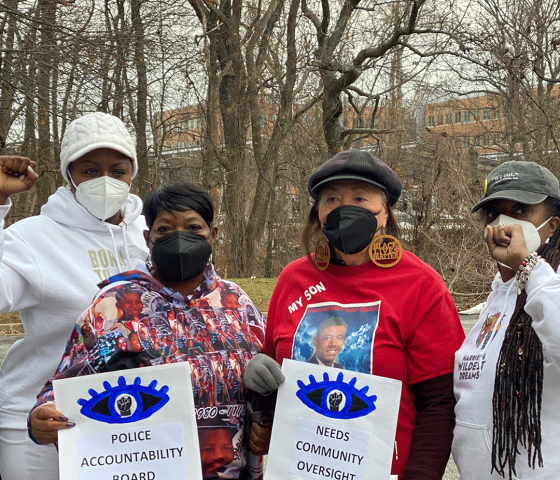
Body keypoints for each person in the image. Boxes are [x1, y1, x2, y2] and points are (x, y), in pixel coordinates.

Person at [244, 149, 466, 479]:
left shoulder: (421, 284)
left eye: (361, 198)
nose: (345, 208)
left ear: (384, 211)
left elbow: (440, 404)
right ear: (317, 213)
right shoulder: (292, 281)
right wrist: (259, 391)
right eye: (331, 199)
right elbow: (277, 379)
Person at [29, 182, 266, 480]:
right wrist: (42, 418)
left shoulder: (237, 302)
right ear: (148, 237)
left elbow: (267, 386)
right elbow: (62, 389)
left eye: (194, 227)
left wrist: (267, 424)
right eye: (165, 229)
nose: (180, 239)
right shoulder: (113, 306)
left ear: (212, 235)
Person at [0, 112, 148, 480]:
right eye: (89, 170)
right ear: (69, 175)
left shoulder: (150, 233)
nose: (105, 181)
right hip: (38, 422)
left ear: (132, 172)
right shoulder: (34, 238)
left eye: (117, 170)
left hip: (129, 417)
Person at [452, 161, 560, 480]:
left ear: (552, 225)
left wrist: (528, 265)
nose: (503, 222)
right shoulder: (501, 294)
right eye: (493, 212)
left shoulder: (547, 282)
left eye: (521, 210)